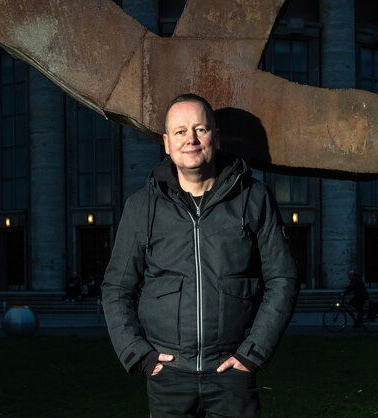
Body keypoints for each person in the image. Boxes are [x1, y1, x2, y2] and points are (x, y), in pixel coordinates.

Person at [102, 93, 298, 417]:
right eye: (180, 132)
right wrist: (140, 355)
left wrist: (253, 354)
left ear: (215, 138)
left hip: (232, 373)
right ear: (166, 143)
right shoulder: (141, 207)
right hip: (168, 378)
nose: (190, 140)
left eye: (200, 130)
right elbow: (115, 289)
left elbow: (283, 278)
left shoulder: (254, 198)